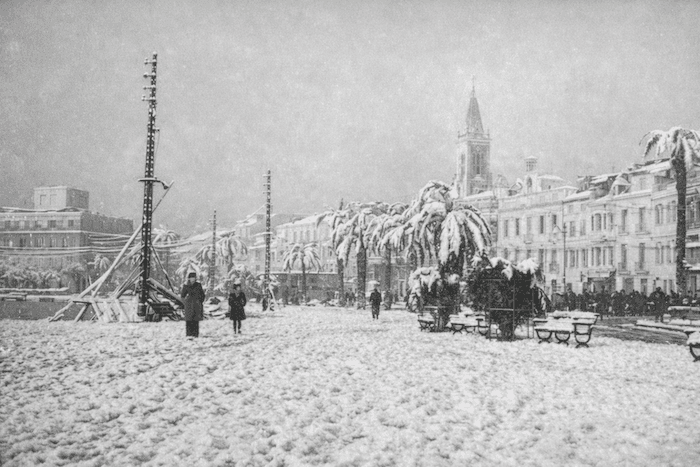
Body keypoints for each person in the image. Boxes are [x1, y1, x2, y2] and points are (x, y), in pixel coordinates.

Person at [181, 272, 205, 338]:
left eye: (194, 277)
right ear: (189, 278)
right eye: (191, 277)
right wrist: (185, 303)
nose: (193, 279)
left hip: (196, 305)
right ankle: (189, 334)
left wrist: (199, 301)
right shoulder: (186, 285)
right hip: (189, 305)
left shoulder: (198, 285)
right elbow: (182, 296)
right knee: (189, 321)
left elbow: (202, 295)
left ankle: (195, 334)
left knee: (196, 321)